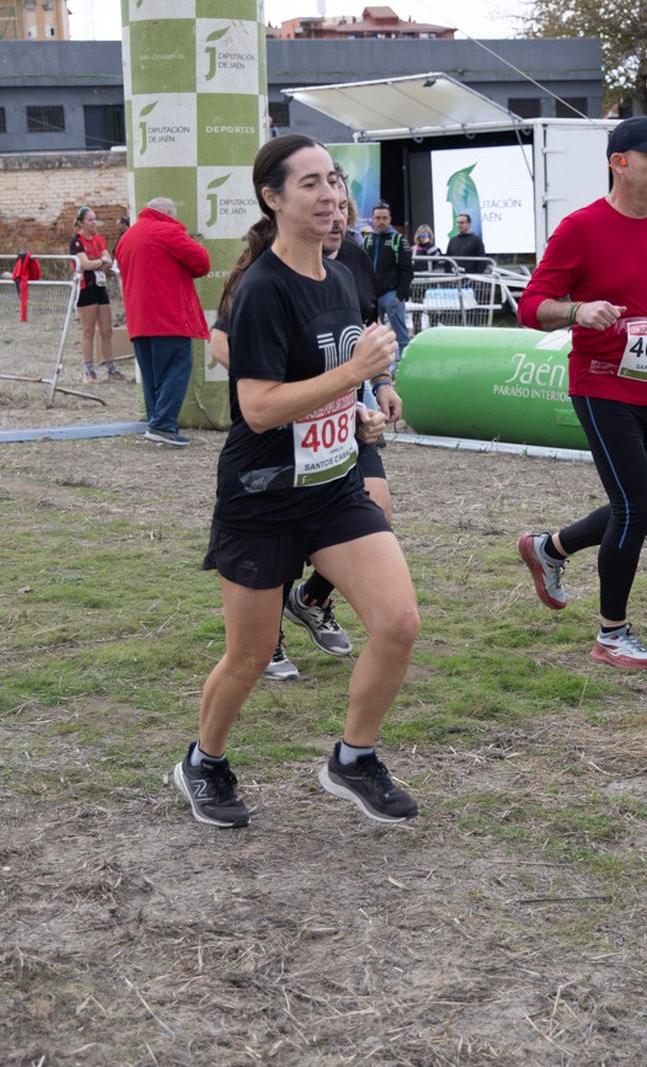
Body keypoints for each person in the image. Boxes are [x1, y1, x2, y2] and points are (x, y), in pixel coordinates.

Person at [178, 134, 420, 828]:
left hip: (334, 485)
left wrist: (360, 412)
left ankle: (353, 757)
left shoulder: (341, 278)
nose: (330, 195)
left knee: (398, 621)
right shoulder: (259, 291)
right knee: (250, 655)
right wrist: (351, 375)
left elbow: (327, 394)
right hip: (262, 495)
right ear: (273, 197)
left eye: (334, 181)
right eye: (309, 183)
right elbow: (257, 407)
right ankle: (205, 760)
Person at [514, 115, 647, 670]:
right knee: (634, 504)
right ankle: (611, 634)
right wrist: (578, 310)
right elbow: (531, 306)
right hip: (600, 385)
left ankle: (548, 548)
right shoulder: (581, 228)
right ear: (619, 162)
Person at [208, 179, 397, 682]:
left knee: (378, 507)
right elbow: (223, 344)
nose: (336, 217)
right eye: (325, 205)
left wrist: (374, 389)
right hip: (278, 440)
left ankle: (311, 599)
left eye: (342, 209)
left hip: (340, 427)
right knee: (280, 542)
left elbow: (359, 340)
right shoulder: (261, 277)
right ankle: (266, 637)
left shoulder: (348, 268)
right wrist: (271, 378)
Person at [115, 196, 209, 448]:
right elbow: (202, 263)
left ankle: (156, 423)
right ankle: (163, 425)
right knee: (176, 369)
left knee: (152, 375)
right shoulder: (169, 231)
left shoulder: (127, 237)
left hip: (138, 319)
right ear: (167, 212)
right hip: (168, 317)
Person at [70, 206, 125, 383]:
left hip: (100, 286)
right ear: (80, 222)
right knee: (88, 330)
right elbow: (85, 264)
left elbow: (109, 261)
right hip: (86, 287)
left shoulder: (98, 238)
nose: (94, 223)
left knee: (107, 330)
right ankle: (89, 371)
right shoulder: (77, 242)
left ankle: (111, 368)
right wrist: (100, 261)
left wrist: (100, 262)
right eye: (90, 220)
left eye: (95, 219)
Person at [363, 201, 413, 356]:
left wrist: (400, 296)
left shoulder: (398, 240)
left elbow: (407, 270)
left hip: (391, 295)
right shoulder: (368, 240)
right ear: (373, 219)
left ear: (390, 219)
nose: (381, 221)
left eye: (384, 218)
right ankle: (376, 368)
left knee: (401, 335)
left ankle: (403, 365)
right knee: (371, 335)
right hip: (372, 297)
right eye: (377, 218)